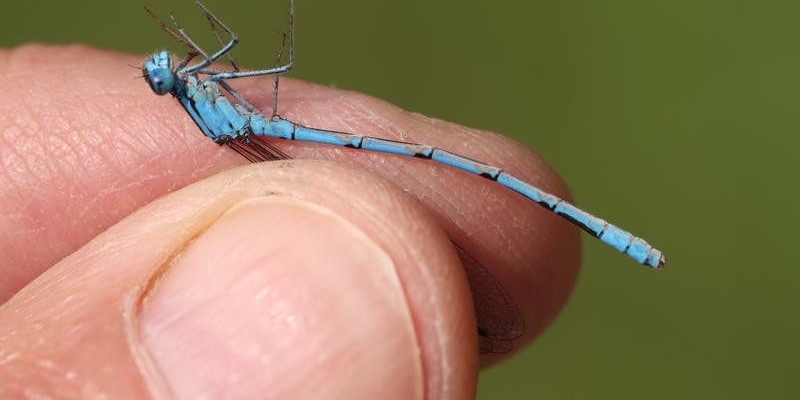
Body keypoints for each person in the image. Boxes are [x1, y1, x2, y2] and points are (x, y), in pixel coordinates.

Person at [0, 45, 579, 399]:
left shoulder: (195, 87)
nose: (163, 66)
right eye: (162, 72)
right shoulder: (200, 97)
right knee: (441, 169)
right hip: (279, 133)